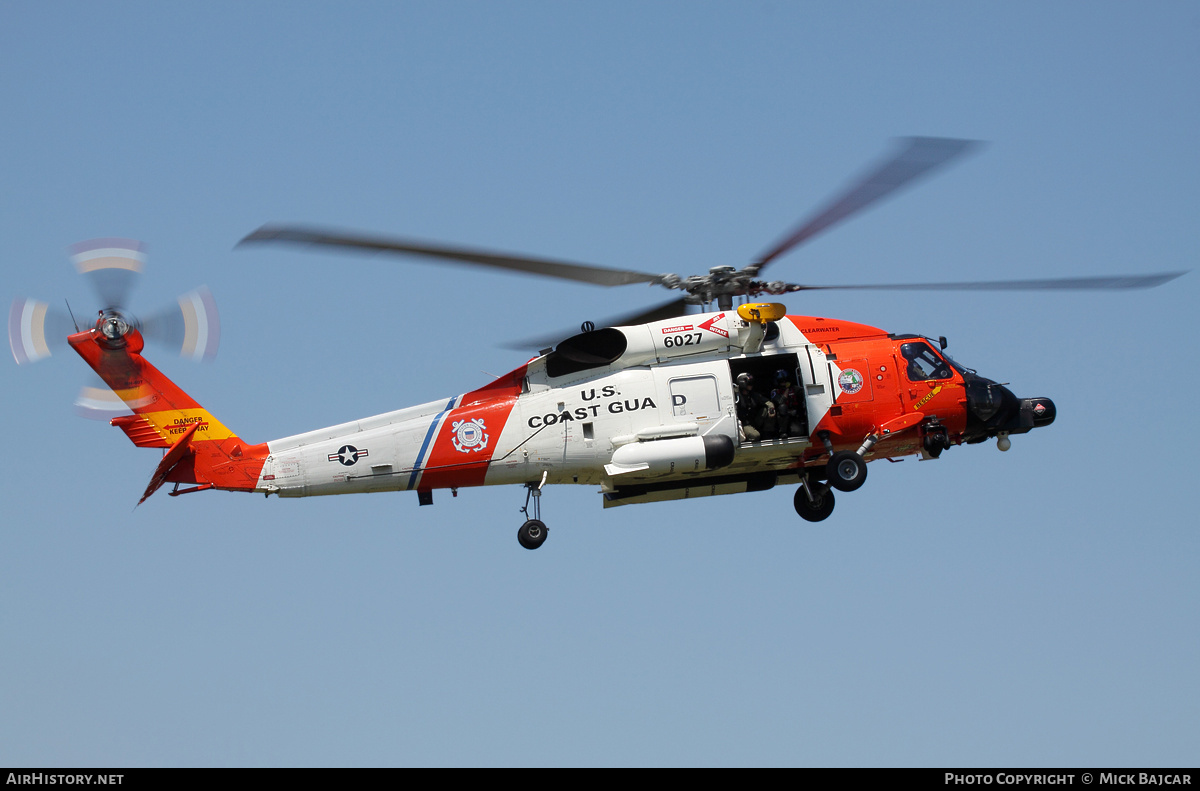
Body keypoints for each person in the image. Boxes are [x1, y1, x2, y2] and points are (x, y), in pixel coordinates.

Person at [735, 372, 771, 442]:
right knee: (755, 436)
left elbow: (766, 401)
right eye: (749, 383)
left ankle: (767, 434)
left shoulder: (752, 395)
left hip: (753, 421)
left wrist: (771, 407)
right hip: (744, 423)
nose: (751, 385)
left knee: (765, 409)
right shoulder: (736, 395)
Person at [769, 369, 803, 438]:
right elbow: (780, 402)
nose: (784, 383)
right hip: (781, 418)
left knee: (797, 432)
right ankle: (782, 432)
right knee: (782, 407)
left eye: (786, 381)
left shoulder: (794, 389)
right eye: (782, 381)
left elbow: (804, 393)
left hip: (793, 415)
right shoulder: (775, 392)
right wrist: (787, 390)